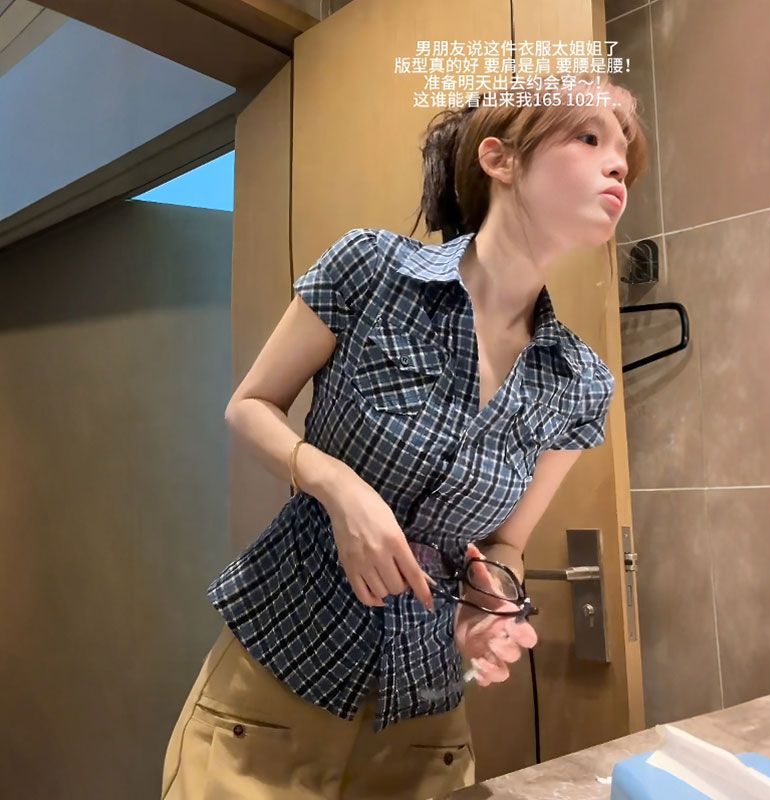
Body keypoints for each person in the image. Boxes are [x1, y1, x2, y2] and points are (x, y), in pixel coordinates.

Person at [160, 74, 649, 800]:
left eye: (626, 155)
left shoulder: (581, 383)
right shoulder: (371, 270)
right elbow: (251, 405)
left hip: (422, 731)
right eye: (590, 138)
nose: (618, 166)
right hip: (268, 692)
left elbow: (508, 545)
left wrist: (490, 604)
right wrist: (337, 486)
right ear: (500, 159)